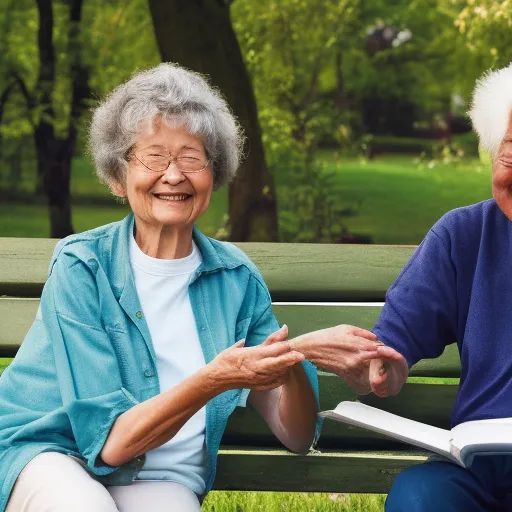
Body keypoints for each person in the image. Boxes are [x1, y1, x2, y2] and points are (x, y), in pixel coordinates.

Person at [0, 63, 383, 512]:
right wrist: (215, 379)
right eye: (154, 157)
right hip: (53, 456)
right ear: (117, 177)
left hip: (164, 477)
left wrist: (297, 355)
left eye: (190, 156)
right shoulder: (83, 266)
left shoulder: (236, 279)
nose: (174, 174)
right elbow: (110, 445)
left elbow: (296, 435)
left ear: (213, 173)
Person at [322, 63, 512, 511]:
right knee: (419, 496)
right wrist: (385, 365)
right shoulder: (464, 235)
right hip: (479, 468)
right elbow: (395, 338)